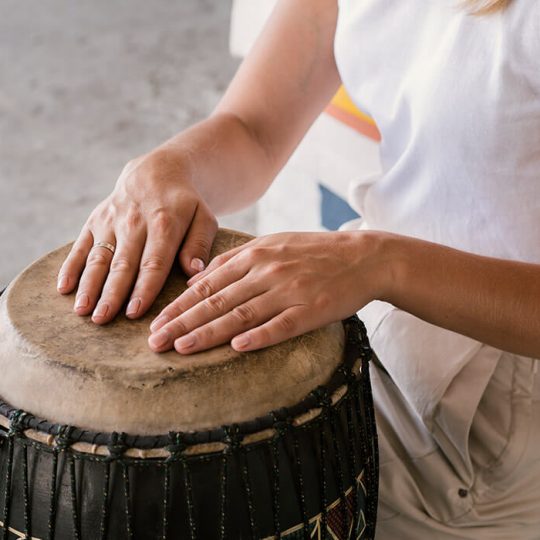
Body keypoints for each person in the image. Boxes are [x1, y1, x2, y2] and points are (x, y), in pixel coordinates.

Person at [56, 0, 540, 537]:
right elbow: (252, 128)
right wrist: (170, 168)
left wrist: (382, 262)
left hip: (493, 406)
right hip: (373, 315)